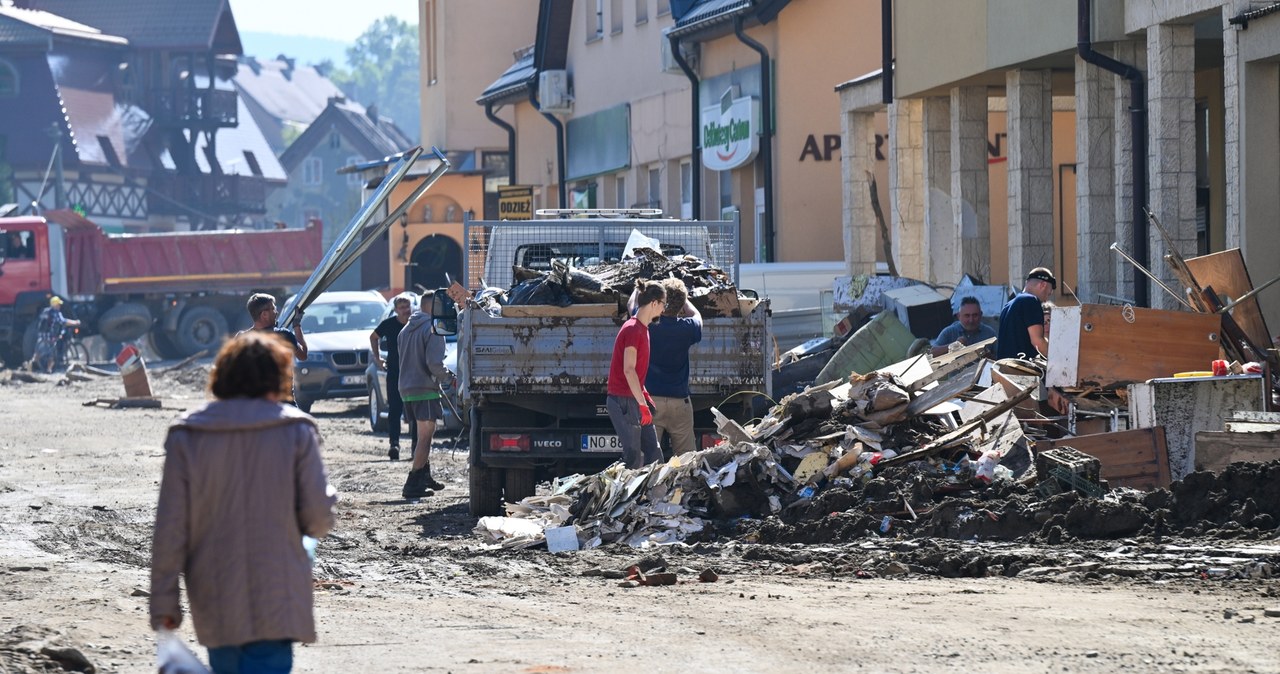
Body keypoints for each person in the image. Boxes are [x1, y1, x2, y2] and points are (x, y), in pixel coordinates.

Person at [150, 331, 337, 674]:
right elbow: (319, 518)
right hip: (276, 592)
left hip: (215, 594)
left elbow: (170, 529)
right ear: (278, 378)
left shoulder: (188, 435)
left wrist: (163, 600)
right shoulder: (297, 431)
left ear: (222, 377)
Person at [628, 278, 702, 456]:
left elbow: (632, 305)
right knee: (687, 460)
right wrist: (684, 300)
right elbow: (697, 315)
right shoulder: (688, 328)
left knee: (647, 461)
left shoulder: (647, 325)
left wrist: (640, 288)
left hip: (651, 402)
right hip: (680, 403)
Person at [398, 291, 454, 499]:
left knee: (420, 435)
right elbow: (434, 364)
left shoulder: (405, 330)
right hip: (424, 389)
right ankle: (412, 483)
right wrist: (448, 378)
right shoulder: (432, 329)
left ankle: (424, 477)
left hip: (406, 389)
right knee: (425, 438)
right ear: (434, 307)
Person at [607, 280, 667, 469]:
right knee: (633, 457)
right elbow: (628, 369)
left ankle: (656, 498)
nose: (663, 310)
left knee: (654, 454)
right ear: (654, 303)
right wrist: (642, 404)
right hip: (623, 401)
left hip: (632, 399)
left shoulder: (642, 329)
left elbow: (634, 372)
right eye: (663, 304)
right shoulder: (633, 330)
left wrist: (644, 396)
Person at [242, 293, 308, 404]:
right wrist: (296, 325)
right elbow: (303, 355)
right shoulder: (283, 335)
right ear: (264, 315)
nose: (276, 312)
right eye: (273, 309)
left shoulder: (241, 338)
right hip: (283, 405)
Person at [370, 294, 413, 461]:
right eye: (402, 308)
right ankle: (394, 444)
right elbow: (373, 337)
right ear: (396, 310)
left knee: (414, 410)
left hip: (413, 372)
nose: (405, 311)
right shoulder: (389, 324)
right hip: (394, 372)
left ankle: (416, 447)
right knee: (395, 409)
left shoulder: (414, 324)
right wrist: (377, 358)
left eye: (407, 307)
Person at [995, 267, 1056, 360]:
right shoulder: (1030, 300)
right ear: (1043, 285)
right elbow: (1037, 342)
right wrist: (1058, 359)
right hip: (1021, 369)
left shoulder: (1008, 305)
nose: (1045, 300)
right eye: (1048, 294)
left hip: (1004, 368)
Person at [930, 296, 997, 357]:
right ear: (959, 316)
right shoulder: (949, 332)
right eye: (967, 316)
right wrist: (955, 345)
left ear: (981, 315)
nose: (971, 320)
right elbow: (931, 353)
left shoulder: (990, 333)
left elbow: (1001, 357)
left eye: (975, 315)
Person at [32, 297, 80, 373]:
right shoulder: (56, 313)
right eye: (58, 304)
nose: (59, 306)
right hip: (50, 336)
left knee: (39, 350)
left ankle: (32, 363)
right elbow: (63, 321)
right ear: (55, 305)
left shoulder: (45, 311)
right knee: (52, 353)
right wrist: (75, 322)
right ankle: (48, 369)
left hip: (41, 335)